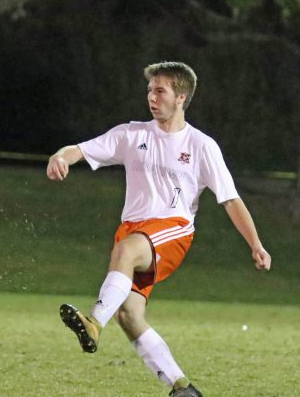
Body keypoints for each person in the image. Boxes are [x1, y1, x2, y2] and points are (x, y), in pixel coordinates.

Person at [47, 61, 272, 397]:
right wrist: (60, 156)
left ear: (181, 97)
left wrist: (255, 243)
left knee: (125, 253)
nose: (152, 96)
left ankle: (93, 323)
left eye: (160, 90)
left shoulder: (201, 146)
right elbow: (80, 149)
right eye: (150, 89)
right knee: (128, 314)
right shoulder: (132, 134)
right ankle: (182, 387)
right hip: (133, 230)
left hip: (172, 230)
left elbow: (230, 199)